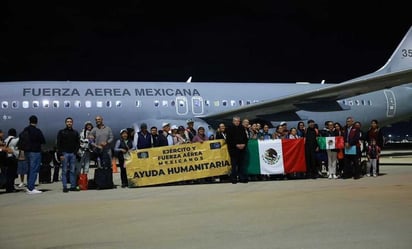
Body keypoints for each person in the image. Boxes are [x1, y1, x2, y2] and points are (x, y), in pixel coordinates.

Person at [23, 115, 46, 194]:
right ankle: (31, 188)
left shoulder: (25, 130)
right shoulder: (37, 131)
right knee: (34, 169)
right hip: (35, 152)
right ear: (36, 122)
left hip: (27, 152)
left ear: (29, 121)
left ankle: (29, 186)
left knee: (29, 169)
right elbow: (43, 140)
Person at [56, 117, 80, 193]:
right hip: (64, 153)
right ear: (65, 123)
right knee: (64, 171)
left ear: (72, 123)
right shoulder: (61, 132)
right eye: (68, 122)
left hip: (72, 154)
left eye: (70, 122)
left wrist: (75, 152)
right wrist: (60, 154)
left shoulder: (75, 132)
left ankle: (73, 186)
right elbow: (58, 144)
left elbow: (77, 143)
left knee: (73, 170)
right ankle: (65, 186)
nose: (69, 123)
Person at [226, 116, 249, 183]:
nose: (237, 122)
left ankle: (241, 178)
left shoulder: (242, 128)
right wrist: (236, 145)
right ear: (233, 121)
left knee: (241, 164)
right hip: (233, 150)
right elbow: (228, 140)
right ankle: (234, 178)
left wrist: (244, 144)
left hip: (242, 149)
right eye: (236, 121)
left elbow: (245, 138)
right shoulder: (229, 128)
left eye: (239, 121)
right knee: (234, 165)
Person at [3, 128, 19, 192]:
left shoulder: (6, 140)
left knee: (8, 173)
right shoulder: (14, 140)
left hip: (7, 158)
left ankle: (8, 187)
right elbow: (19, 140)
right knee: (12, 174)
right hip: (12, 158)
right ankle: (11, 187)